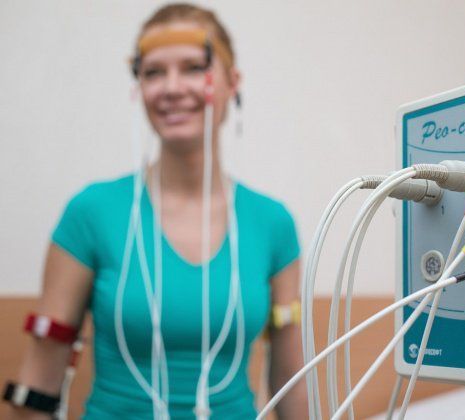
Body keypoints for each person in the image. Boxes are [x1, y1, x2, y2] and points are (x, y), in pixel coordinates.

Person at [6, 3, 307, 419]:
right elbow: (38, 383)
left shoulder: (273, 224)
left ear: (232, 82)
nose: (171, 87)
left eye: (193, 68)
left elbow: (292, 384)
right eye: (153, 73)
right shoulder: (91, 213)